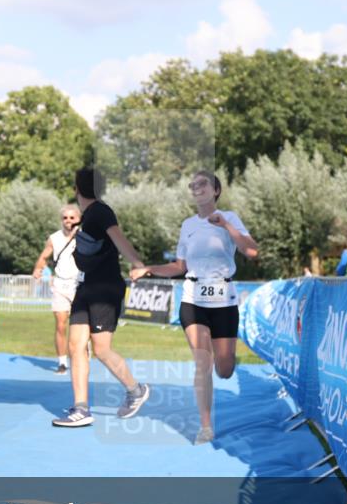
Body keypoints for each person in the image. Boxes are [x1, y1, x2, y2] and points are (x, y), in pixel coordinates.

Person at [130, 170, 258, 445]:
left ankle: (227, 360)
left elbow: (252, 251)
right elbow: (179, 266)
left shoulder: (230, 218)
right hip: (193, 297)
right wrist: (148, 268)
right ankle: (206, 426)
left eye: (203, 184)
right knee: (203, 362)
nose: (196, 188)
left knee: (224, 368)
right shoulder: (187, 225)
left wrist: (226, 226)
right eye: (193, 185)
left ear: (216, 191)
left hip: (223, 299)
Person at [53, 167, 149, 428]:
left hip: (105, 289)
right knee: (75, 346)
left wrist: (137, 262)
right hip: (85, 288)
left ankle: (136, 390)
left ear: (77, 188)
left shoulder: (101, 211)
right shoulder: (87, 216)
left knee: (102, 349)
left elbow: (118, 238)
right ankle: (81, 409)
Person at [32, 204, 81, 374]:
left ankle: (81, 357)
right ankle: (62, 362)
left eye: (72, 217)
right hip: (60, 285)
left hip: (80, 284)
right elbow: (44, 256)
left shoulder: (85, 237)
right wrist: (38, 269)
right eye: (65, 218)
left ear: (79, 219)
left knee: (80, 325)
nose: (68, 221)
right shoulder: (54, 238)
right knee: (61, 324)